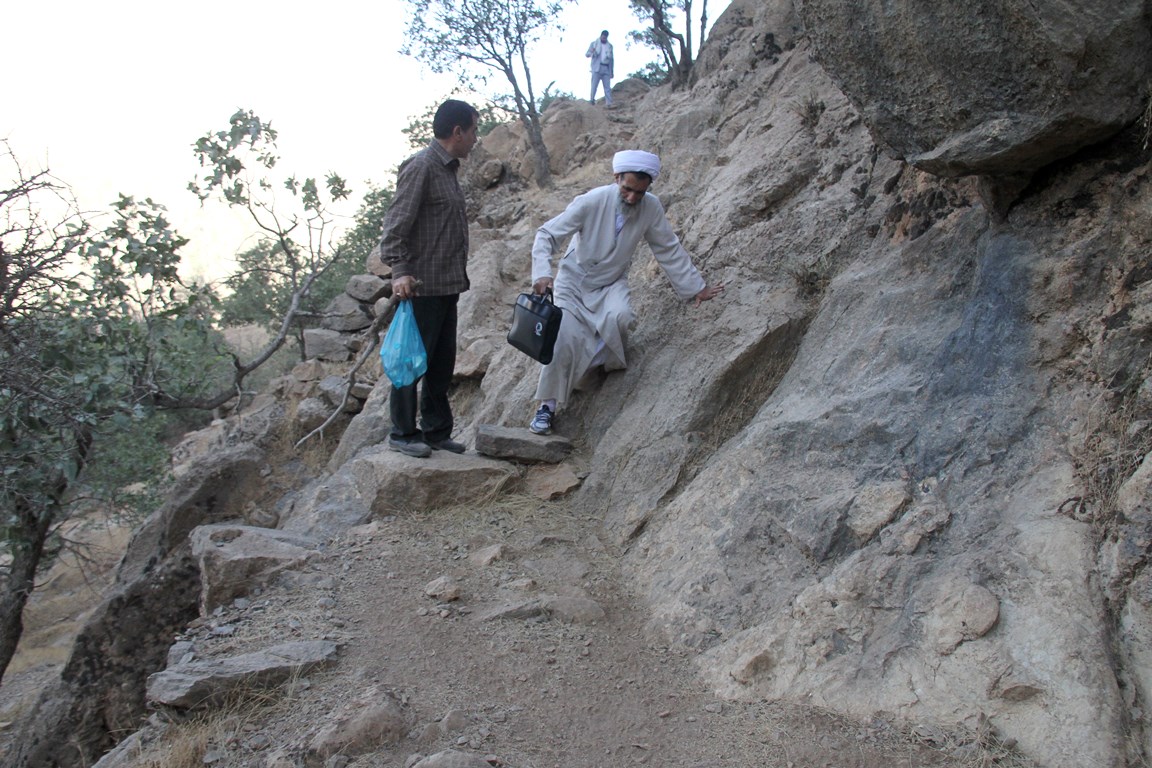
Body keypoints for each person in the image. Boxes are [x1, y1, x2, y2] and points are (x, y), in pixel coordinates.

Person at [527, 150, 724, 435]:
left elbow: (667, 247)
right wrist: (542, 272)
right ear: (616, 178)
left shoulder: (651, 208)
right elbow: (547, 234)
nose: (632, 198)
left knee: (620, 318)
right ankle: (547, 407)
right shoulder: (592, 201)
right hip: (572, 283)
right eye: (627, 189)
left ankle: (587, 370)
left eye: (639, 193)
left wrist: (696, 287)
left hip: (610, 283)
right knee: (562, 341)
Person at [378, 99, 480, 458]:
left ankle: (436, 431)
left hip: (447, 285)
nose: (475, 139)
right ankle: (403, 433)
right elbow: (394, 228)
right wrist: (400, 271)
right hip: (420, 288)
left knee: (440, 365)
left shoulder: (447, 170)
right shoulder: (422, 166)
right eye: (473, 131)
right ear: (457, 132)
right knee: (410, 362)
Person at [586, 30, 614, 106]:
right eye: (603, 37)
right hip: (596, 67)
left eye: (605, 37)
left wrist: (611, 71)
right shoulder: (594, 44)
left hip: (606, 68)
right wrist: (592, 52)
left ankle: (609, 103)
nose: (604, 38)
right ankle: (592, 100)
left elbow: (611, 59)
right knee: (594, 85)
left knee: (607, 87)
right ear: (601, 36)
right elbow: (587, 54)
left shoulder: (610, 46)